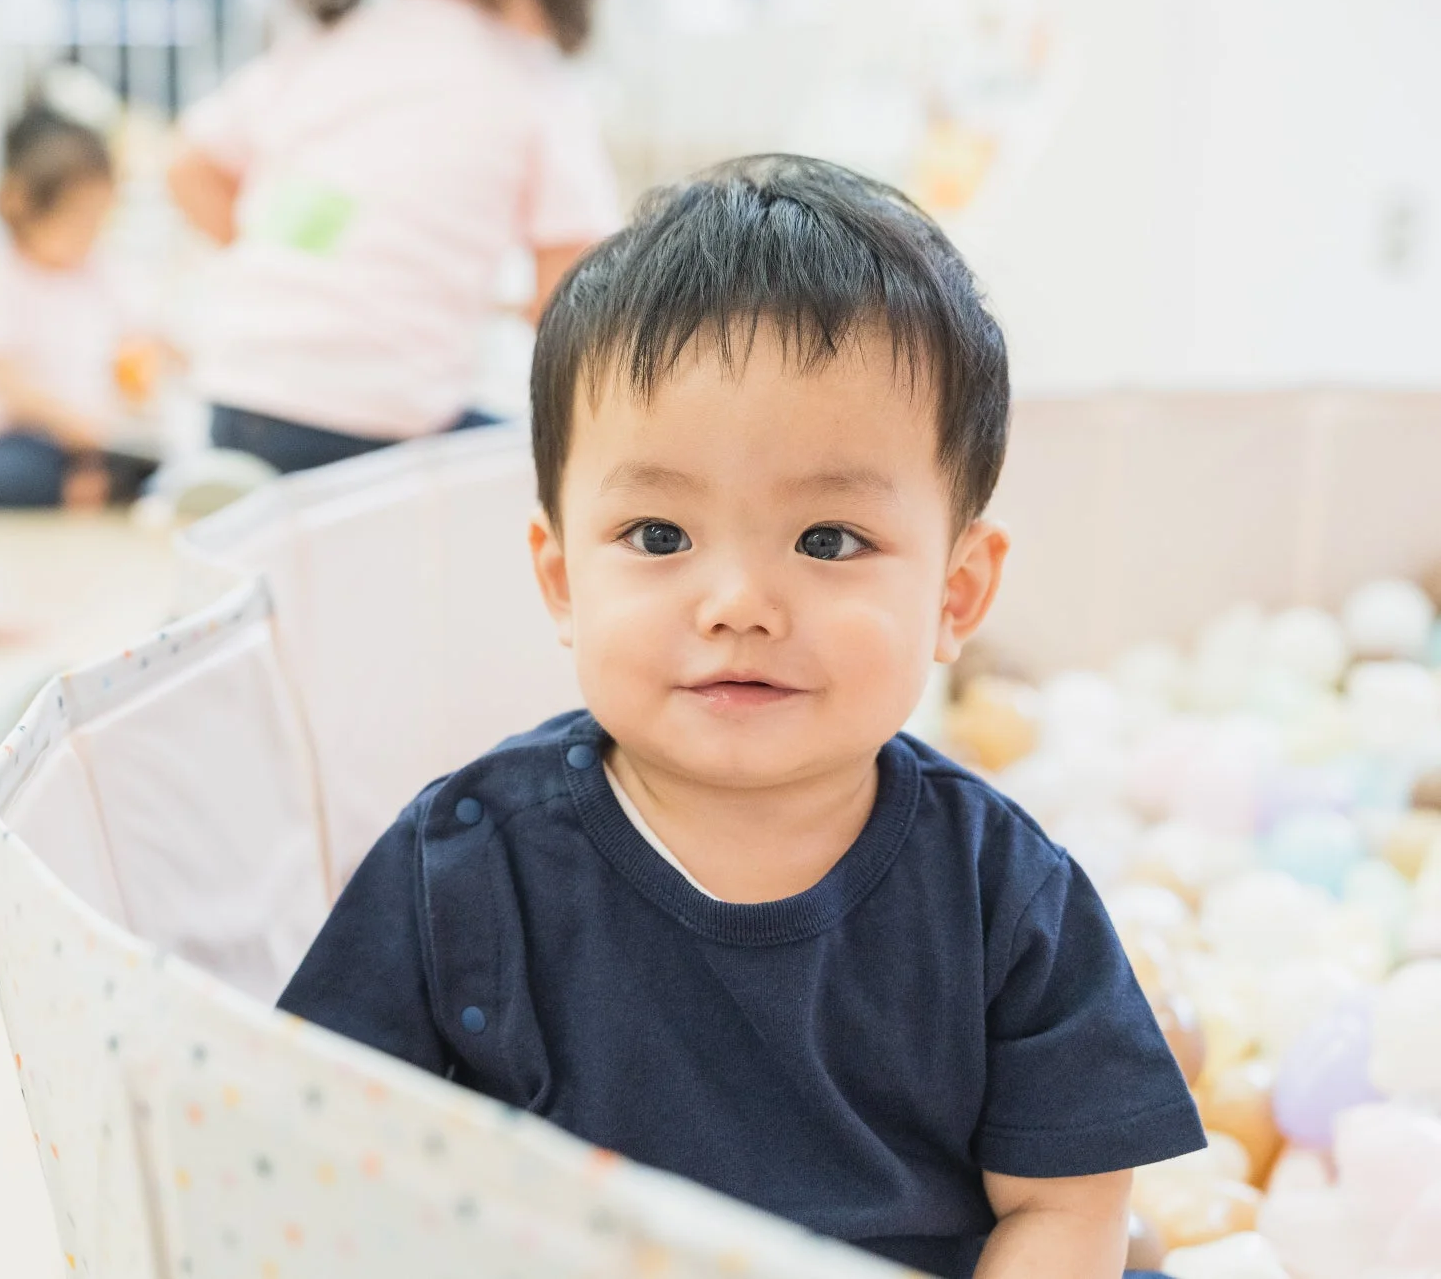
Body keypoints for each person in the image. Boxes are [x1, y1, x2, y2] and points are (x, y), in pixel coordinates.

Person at [276, 156, 1206, 1279]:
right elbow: (311, 1156)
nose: (740, 606)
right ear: (564, 577)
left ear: (955, 594)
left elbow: (1065, 1210)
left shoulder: (1003, 894)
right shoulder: (466, 868)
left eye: (829, 541)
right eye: (659, 537)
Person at [165, 0, 618, 474]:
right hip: (381, 426)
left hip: (236, 400)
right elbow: (574, 295)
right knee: (548, 473)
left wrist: (289, 265)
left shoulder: (328, 47)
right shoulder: (532, 81)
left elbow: (188, 168)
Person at [0, 101, 163, 510]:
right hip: (23, 434)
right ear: (21, 205)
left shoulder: (102, 271)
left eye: (97, 222)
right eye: (76, 222)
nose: (87, 236)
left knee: (155, 463)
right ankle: (87, 490)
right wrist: (69, 422)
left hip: (101, 436)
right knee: (0, 477)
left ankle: (92, 485)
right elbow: (4, 377)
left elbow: (140, 335)